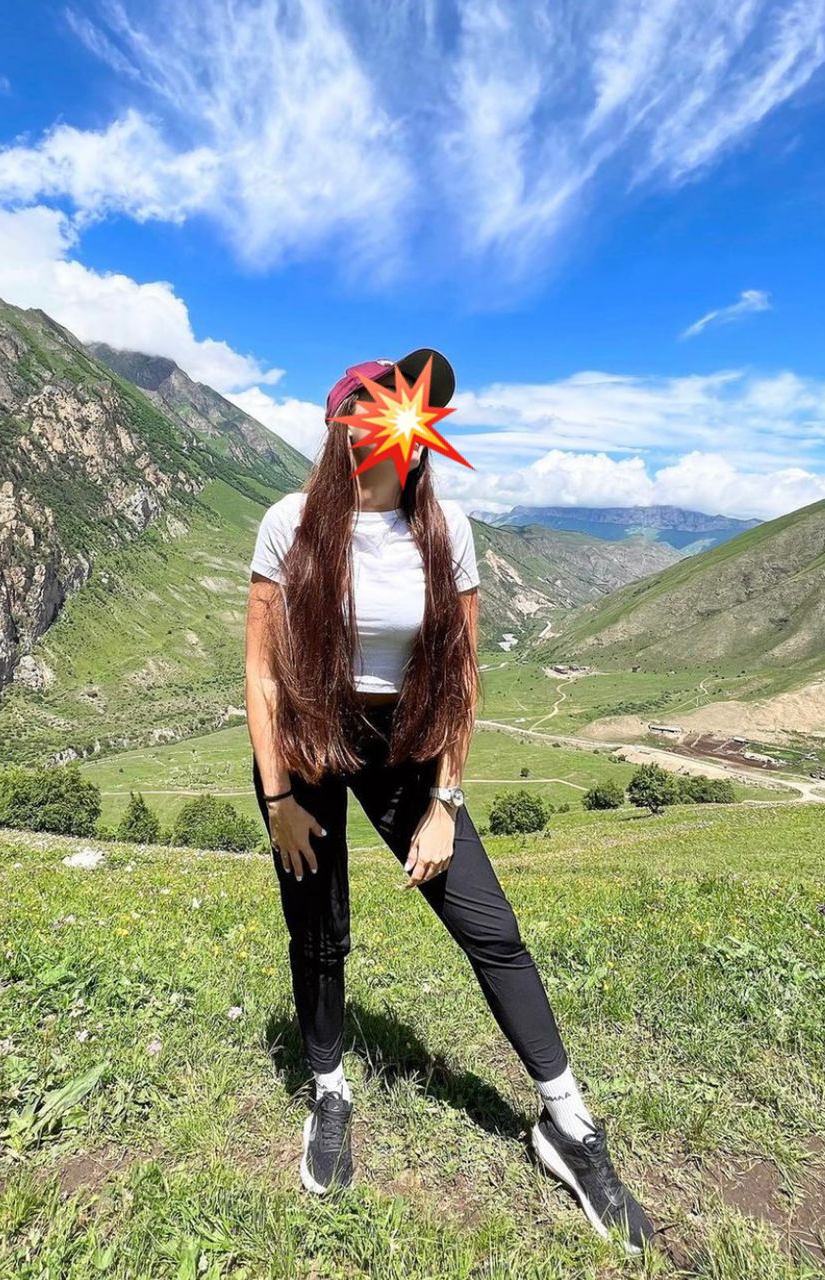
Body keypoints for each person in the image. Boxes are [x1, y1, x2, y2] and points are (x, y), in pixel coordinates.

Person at [244, 349, 656, 1253]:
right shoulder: (288, 523)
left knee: (490, 926)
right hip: (310, 737)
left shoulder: (446, 528)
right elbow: (264, 674)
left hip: (405, 745)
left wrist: (445, 801)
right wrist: (277, 798)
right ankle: (329, 1092)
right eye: (374, 408)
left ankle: (567, 1122)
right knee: (318, 928)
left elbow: (462, 677)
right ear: (341, 425)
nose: (395, 425)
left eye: (409, 410)